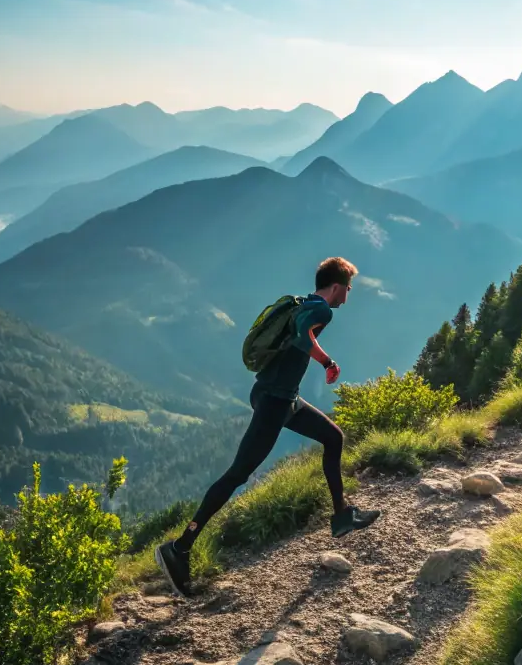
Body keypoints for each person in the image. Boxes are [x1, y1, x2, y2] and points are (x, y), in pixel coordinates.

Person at [155, 255, 380, 596]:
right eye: (347, 289)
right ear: (336, 286)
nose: (347, 296)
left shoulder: (302, 303)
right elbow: (304, 337)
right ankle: (180, 548)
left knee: (333, 438)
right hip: (275, 402)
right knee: (237, 475)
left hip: (280, 397)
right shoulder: (321, 310)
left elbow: (298, 336)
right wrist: (328, 363)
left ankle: (342, 516)